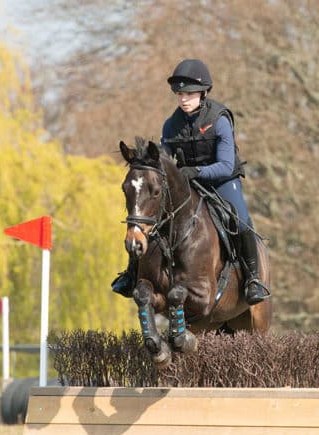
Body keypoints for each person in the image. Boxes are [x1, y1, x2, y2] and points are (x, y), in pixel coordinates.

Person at [112, 59, 270, 305]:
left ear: (203, 93)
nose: (183, 99)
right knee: (148, 218)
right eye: (179, 94)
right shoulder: (171, 124)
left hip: (222, 181)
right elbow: (163, 160)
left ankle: (253, 279)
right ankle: (131, 274)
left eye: (189, 94)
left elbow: (226, 165)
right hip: (188, 183)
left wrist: (195, 171)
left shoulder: (219, 119)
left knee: (240, 219)